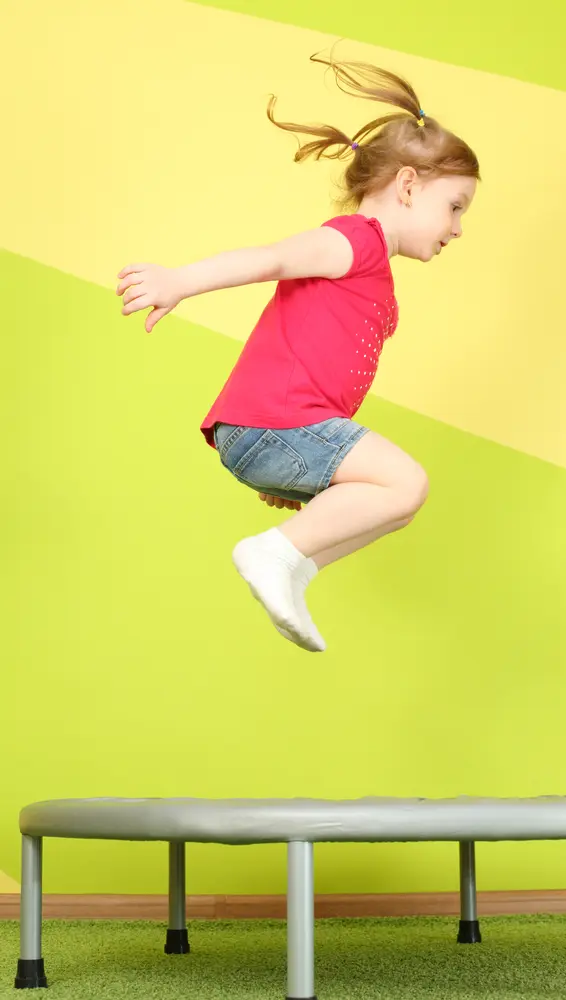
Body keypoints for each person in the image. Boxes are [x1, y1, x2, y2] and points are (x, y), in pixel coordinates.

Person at [116, 54, 480, 653]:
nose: (459, 228)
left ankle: (294, 564)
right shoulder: (351, 242)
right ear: (409, 187)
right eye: (456, 207)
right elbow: (272, 258)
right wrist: (179, 280)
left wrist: (303, 464)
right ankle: (274, 552)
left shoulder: (372, 269)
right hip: (273, 423)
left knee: (394, 506)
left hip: (280, 436)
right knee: (407, 483)